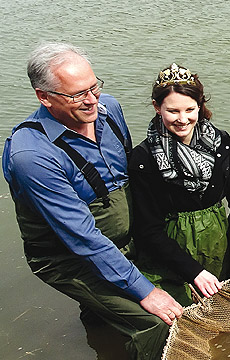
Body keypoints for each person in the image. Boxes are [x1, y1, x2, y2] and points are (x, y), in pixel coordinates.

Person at [2, 43, 181, 360]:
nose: (92, 101)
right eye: (76, 95)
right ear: (44, 96)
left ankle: (101, 340)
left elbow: (130, 177)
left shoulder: (108, 108)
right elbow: (81, 237)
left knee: (171, 289)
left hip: (118, 239)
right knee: (156, 322)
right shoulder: (32, 155)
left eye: (94, 86)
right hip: (67, 256)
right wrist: (146, 292)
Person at [128, 64, 230, 306]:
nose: (182, 119)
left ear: (200, 106)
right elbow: (147, 230)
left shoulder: (221, 144)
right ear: (157, 108)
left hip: (218, 241)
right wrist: (193, 272)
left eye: (190, 109)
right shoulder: (143, 159)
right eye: (173, 111)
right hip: (169, 252)